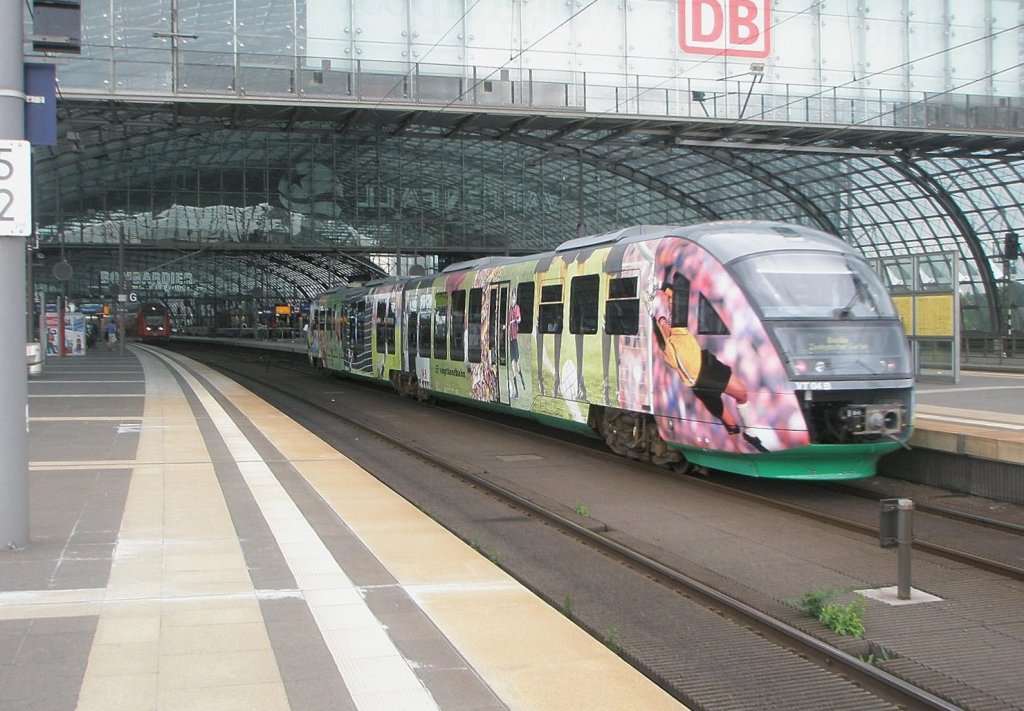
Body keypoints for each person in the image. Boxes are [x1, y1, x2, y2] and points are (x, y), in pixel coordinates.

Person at [653, 280, 766, 453]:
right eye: (662, 324)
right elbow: (667, 318)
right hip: (701, 379)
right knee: (730, 412)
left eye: (666, 321)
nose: (666, 324)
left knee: (741, 395)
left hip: (705, 369)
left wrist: (663, 287)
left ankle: (747, 434)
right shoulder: (666, 348)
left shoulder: (679, 332)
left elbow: (676, 299)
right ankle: (739, 444)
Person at [507, 294, 526, 399]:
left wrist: (515, 320)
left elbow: (519, 319)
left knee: (518, 367)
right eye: (511, 299)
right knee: (513, 367)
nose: (512, 300)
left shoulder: (516, 308)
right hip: (509, 340)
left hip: (514, 340)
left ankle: (523, 381)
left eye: (513, 298)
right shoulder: (509, 310)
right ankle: (517, 393)